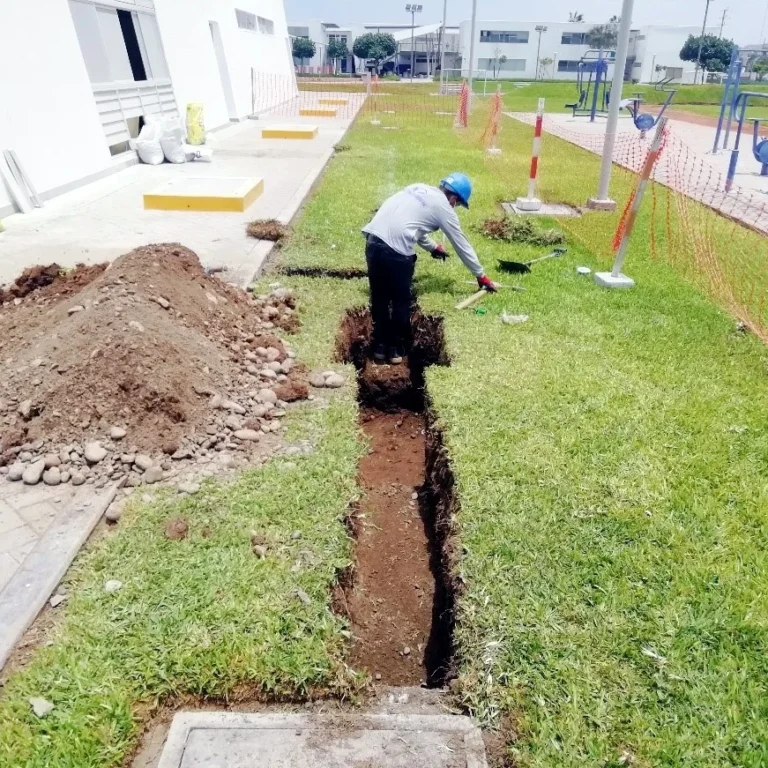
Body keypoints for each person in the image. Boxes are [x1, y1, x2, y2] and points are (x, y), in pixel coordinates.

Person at [362, 173, 496, 365]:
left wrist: (433, 247)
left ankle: (380, 347)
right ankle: (396, 349)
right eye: (456, 204)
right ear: (453, 198)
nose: (454, 207)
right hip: (396, 251)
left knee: (380, 297)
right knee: (401, 299)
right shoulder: (444, 207)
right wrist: (480, 275)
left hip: (373, 242)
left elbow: (411, 225)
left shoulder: (417, 187)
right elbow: (461, 243)